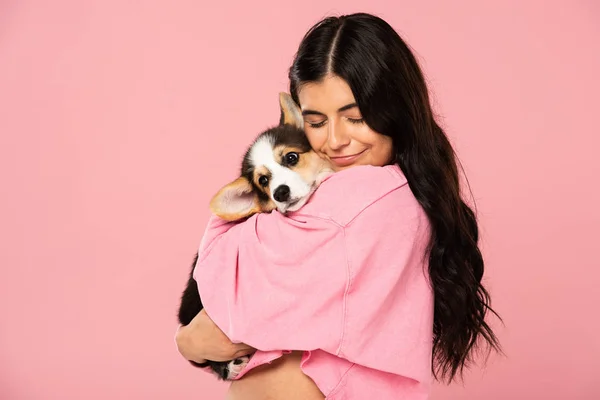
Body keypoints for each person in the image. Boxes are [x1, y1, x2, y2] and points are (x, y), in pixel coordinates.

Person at [175, 12, 501, 399]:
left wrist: (188, 342)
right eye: (316, 121)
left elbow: (215, 326)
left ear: (395, 109)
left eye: (356, 117)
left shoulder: (363, 199)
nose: (335, 141)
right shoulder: (407, 190)